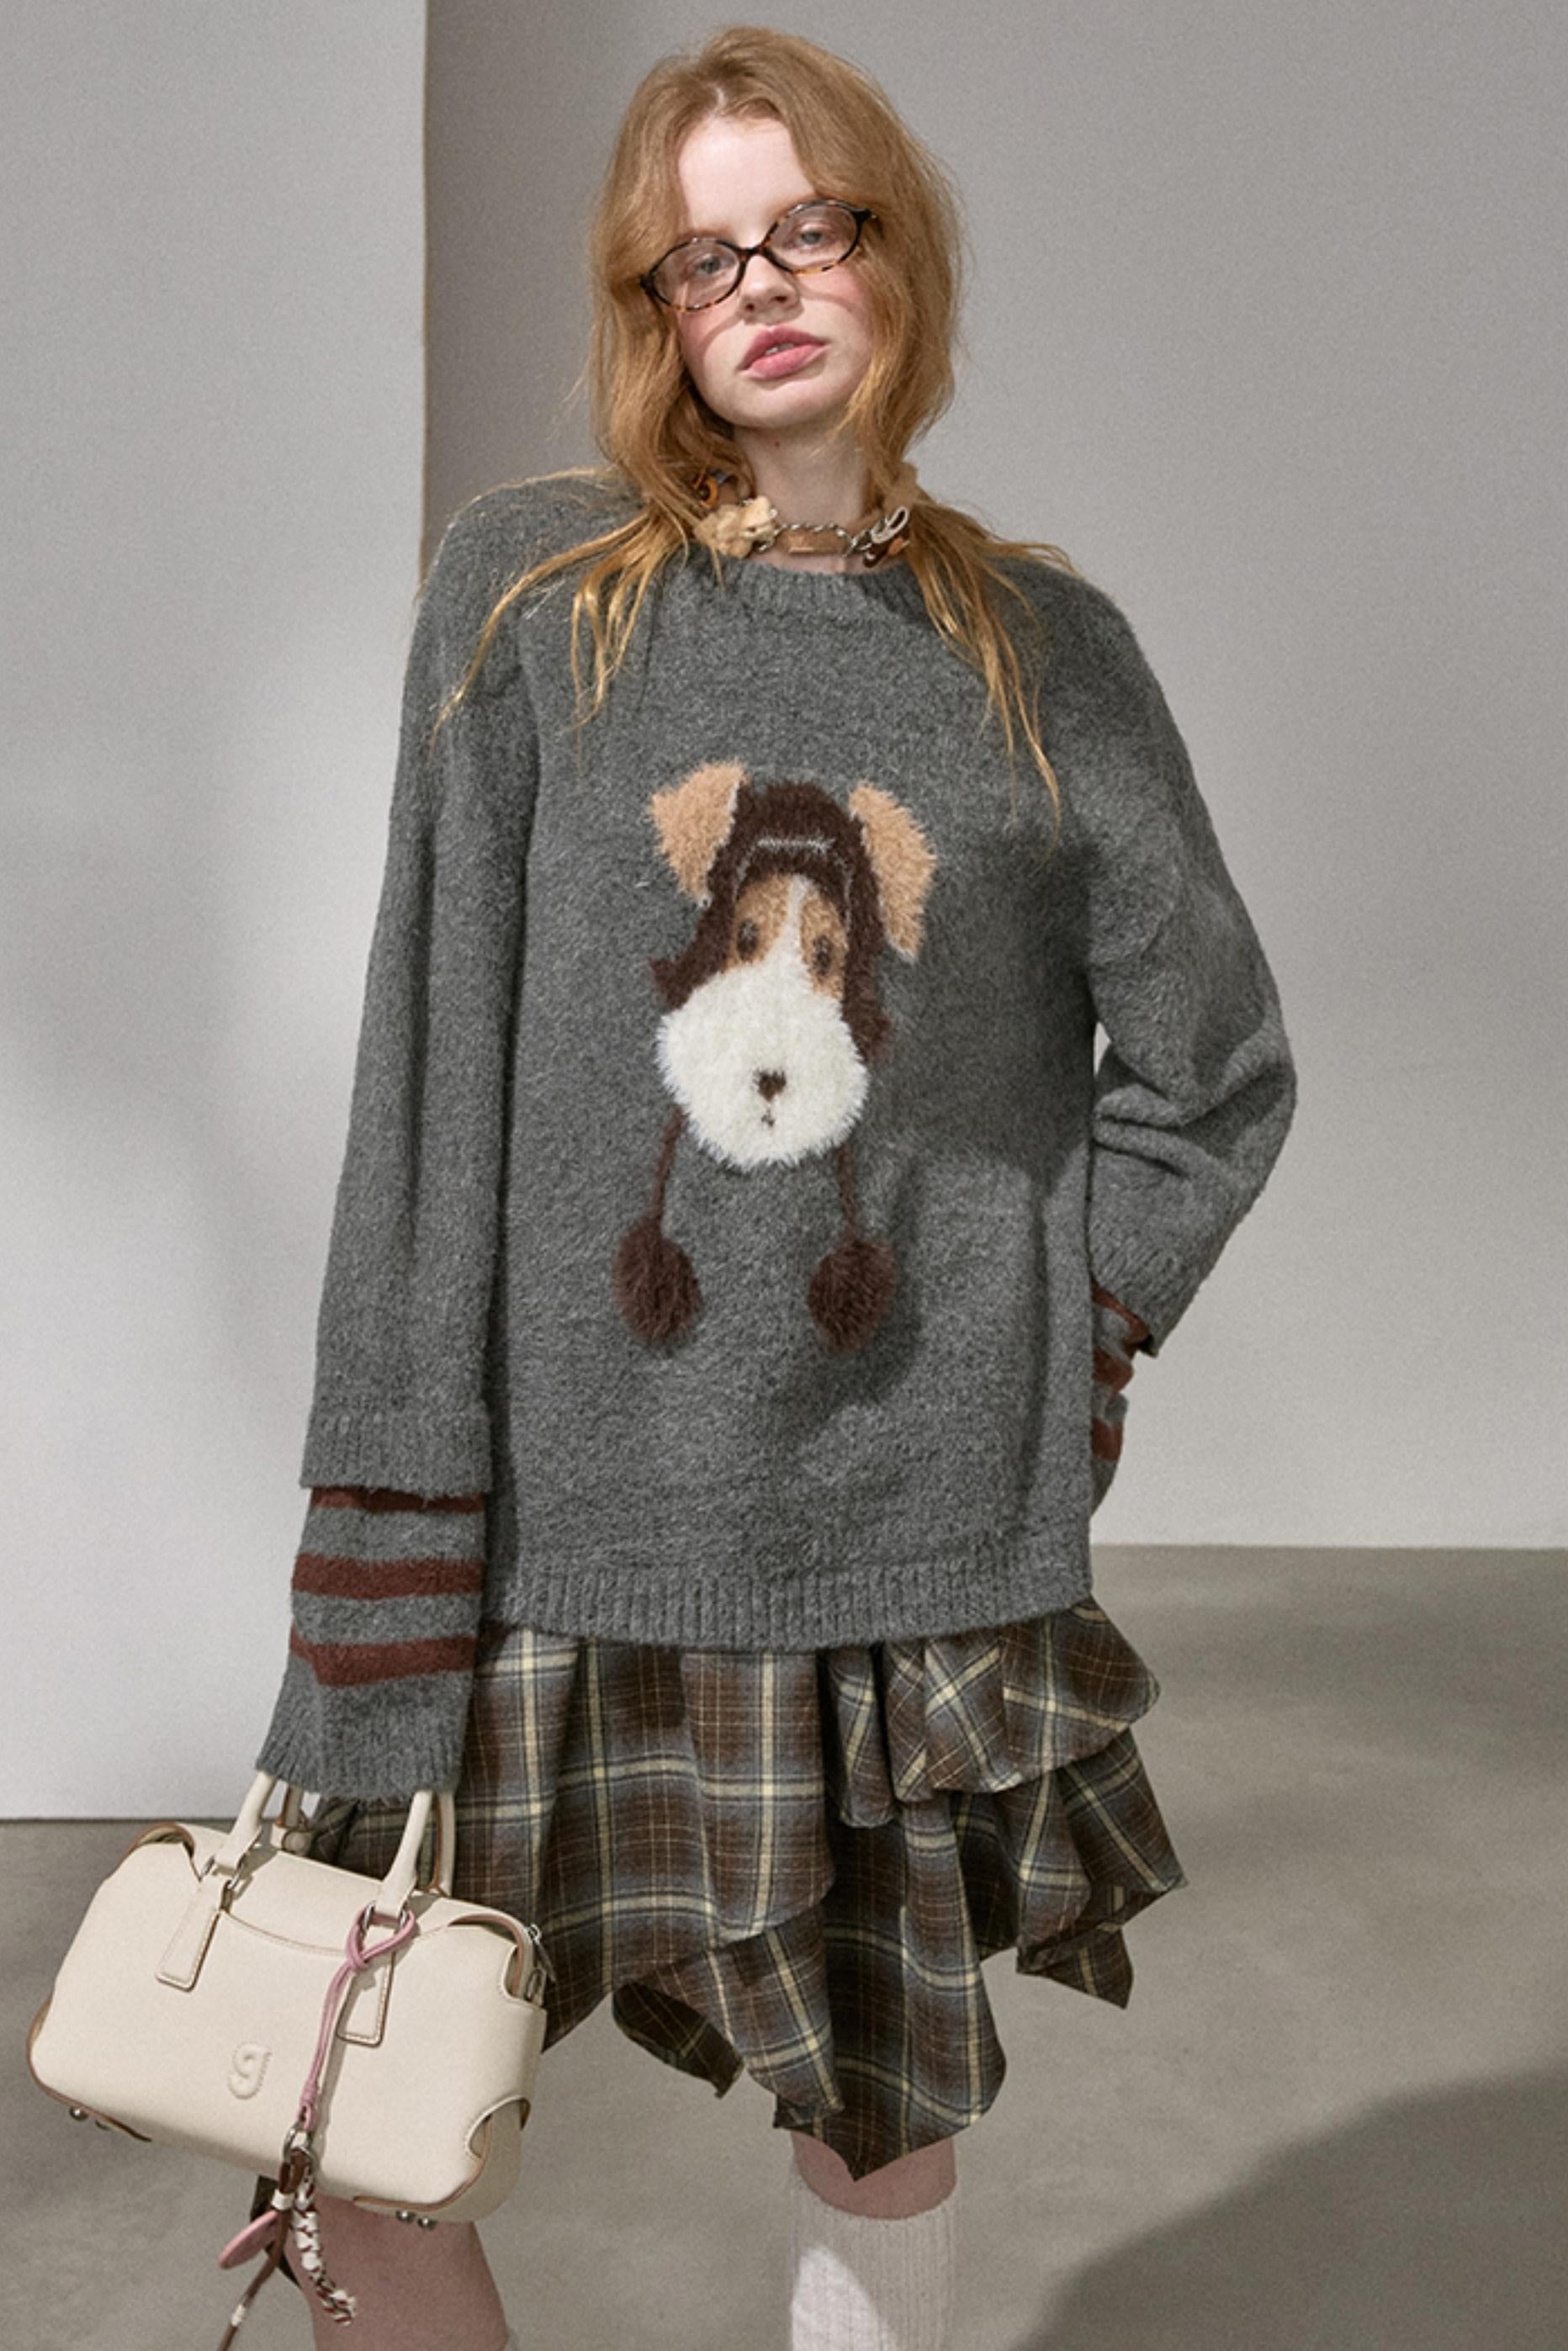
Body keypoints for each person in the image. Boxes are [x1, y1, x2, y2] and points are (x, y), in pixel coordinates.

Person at [246, 25, 1298, 2351]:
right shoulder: (533, 604)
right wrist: (386, 1523)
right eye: (704, 255)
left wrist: (1074, 1339)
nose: (765, 283)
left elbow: (1213, 1062)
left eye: (807, 226)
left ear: (894, 253)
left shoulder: (1047, 653)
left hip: (897, 1526)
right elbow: (425, 1084)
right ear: (654, 311)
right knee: (347, 2105)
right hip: (545, 1521)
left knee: (876, 2110)